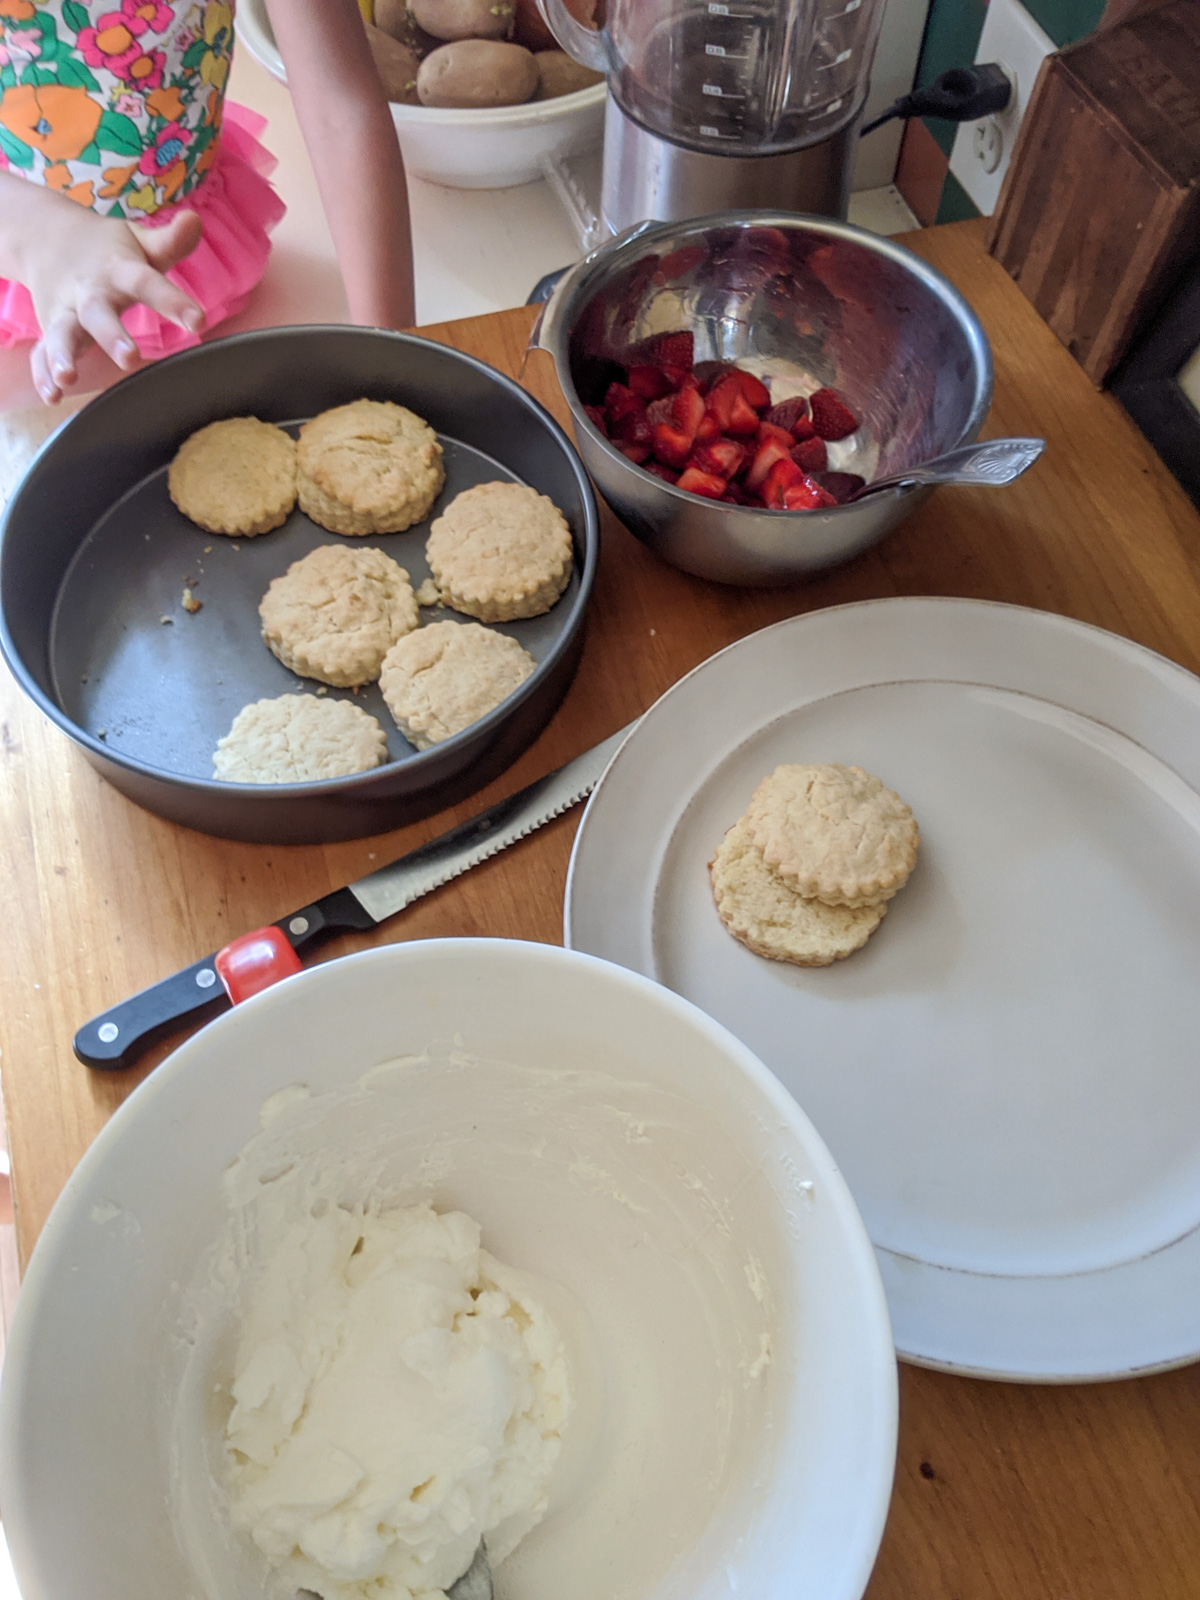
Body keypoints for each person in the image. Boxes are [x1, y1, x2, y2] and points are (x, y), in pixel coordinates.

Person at [0, 0, 414, 405]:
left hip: (199, 241)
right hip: (27, 262)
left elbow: (339, 111)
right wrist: (45, 234)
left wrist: (389, 350)